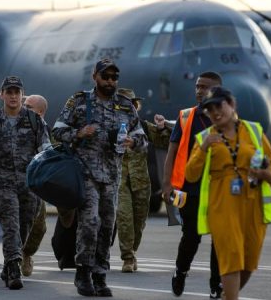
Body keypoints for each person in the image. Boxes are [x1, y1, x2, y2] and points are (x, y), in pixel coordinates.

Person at [52, 58, 148, 297]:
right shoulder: (79, 102)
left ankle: (99, 274)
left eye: (114, 77)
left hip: (112, 176)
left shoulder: (126, 105)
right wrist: (79, 133)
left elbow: (142, 138)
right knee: (90, 223)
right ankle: (83, 271)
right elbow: (57, 130)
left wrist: (132, 142)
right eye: (105, 77)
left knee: (107, 225)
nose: (110, 81)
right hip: (86, 173)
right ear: (95, 76)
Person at [184, 86, 271, 300]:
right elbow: (190, 174)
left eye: (219, 105)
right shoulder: (204, 138)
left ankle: (226, 296)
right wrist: (205, 148)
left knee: (249, 261)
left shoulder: (253, 131)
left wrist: (266, 173)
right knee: (231, 257)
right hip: (222, 206)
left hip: (252, 203)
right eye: (209, 109)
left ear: (232, 104)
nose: (215, 112)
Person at [0, 76, 51, 290]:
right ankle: (14, 267)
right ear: (2, 95)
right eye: (9, 92)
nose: (13, 96)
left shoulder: (35, 121)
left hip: (29, 184)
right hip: (3, 183)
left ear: (21, 95)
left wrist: (48, 179)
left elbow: (46, 150)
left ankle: (9, 263)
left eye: (17, 92)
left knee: (25, 224)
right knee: (11, 225)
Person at [161, 71, 224, 297]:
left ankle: (216, 285)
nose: (199, 91)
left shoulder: (228, 119)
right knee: (191, 237)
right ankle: (181, 271)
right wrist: (167, 185)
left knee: (219, 240)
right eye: (197, 86)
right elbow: (172, 151)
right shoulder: (186, 117)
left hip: (219, 190)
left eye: (204, 87)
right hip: (191, 189)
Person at [114, 88, 171, 273]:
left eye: (130, 105)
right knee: (124, 217)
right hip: (119, 180)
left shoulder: (143, 127)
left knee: (139, 221)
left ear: (136, 107)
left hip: (141, 182)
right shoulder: (110, 128)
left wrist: (163, 128)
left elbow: (166, 142)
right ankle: (128, 258)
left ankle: (132, 250)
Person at [20, 94, 50, 276]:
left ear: (40, 112)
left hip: (36, 185)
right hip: (14, 182)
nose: (24, 108)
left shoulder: (44, 129)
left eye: (29, 106)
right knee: (15, 224)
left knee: (39, 227)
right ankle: (13, 260)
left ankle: (27, 253)